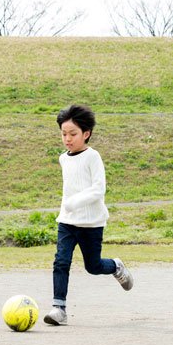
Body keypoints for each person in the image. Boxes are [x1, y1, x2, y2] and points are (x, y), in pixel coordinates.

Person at [44, 104, 133, 326]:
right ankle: (59, 309)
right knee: (61, 262)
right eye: (64, 134)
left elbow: (98, 189)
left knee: (92, 267)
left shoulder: (93, 157)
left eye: (73, 134)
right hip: (67, 221)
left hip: (91, 223)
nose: (67, 139)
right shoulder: (63, 158)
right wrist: (67, 208)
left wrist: (75, 202)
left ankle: (116, 266)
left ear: (86, 133)